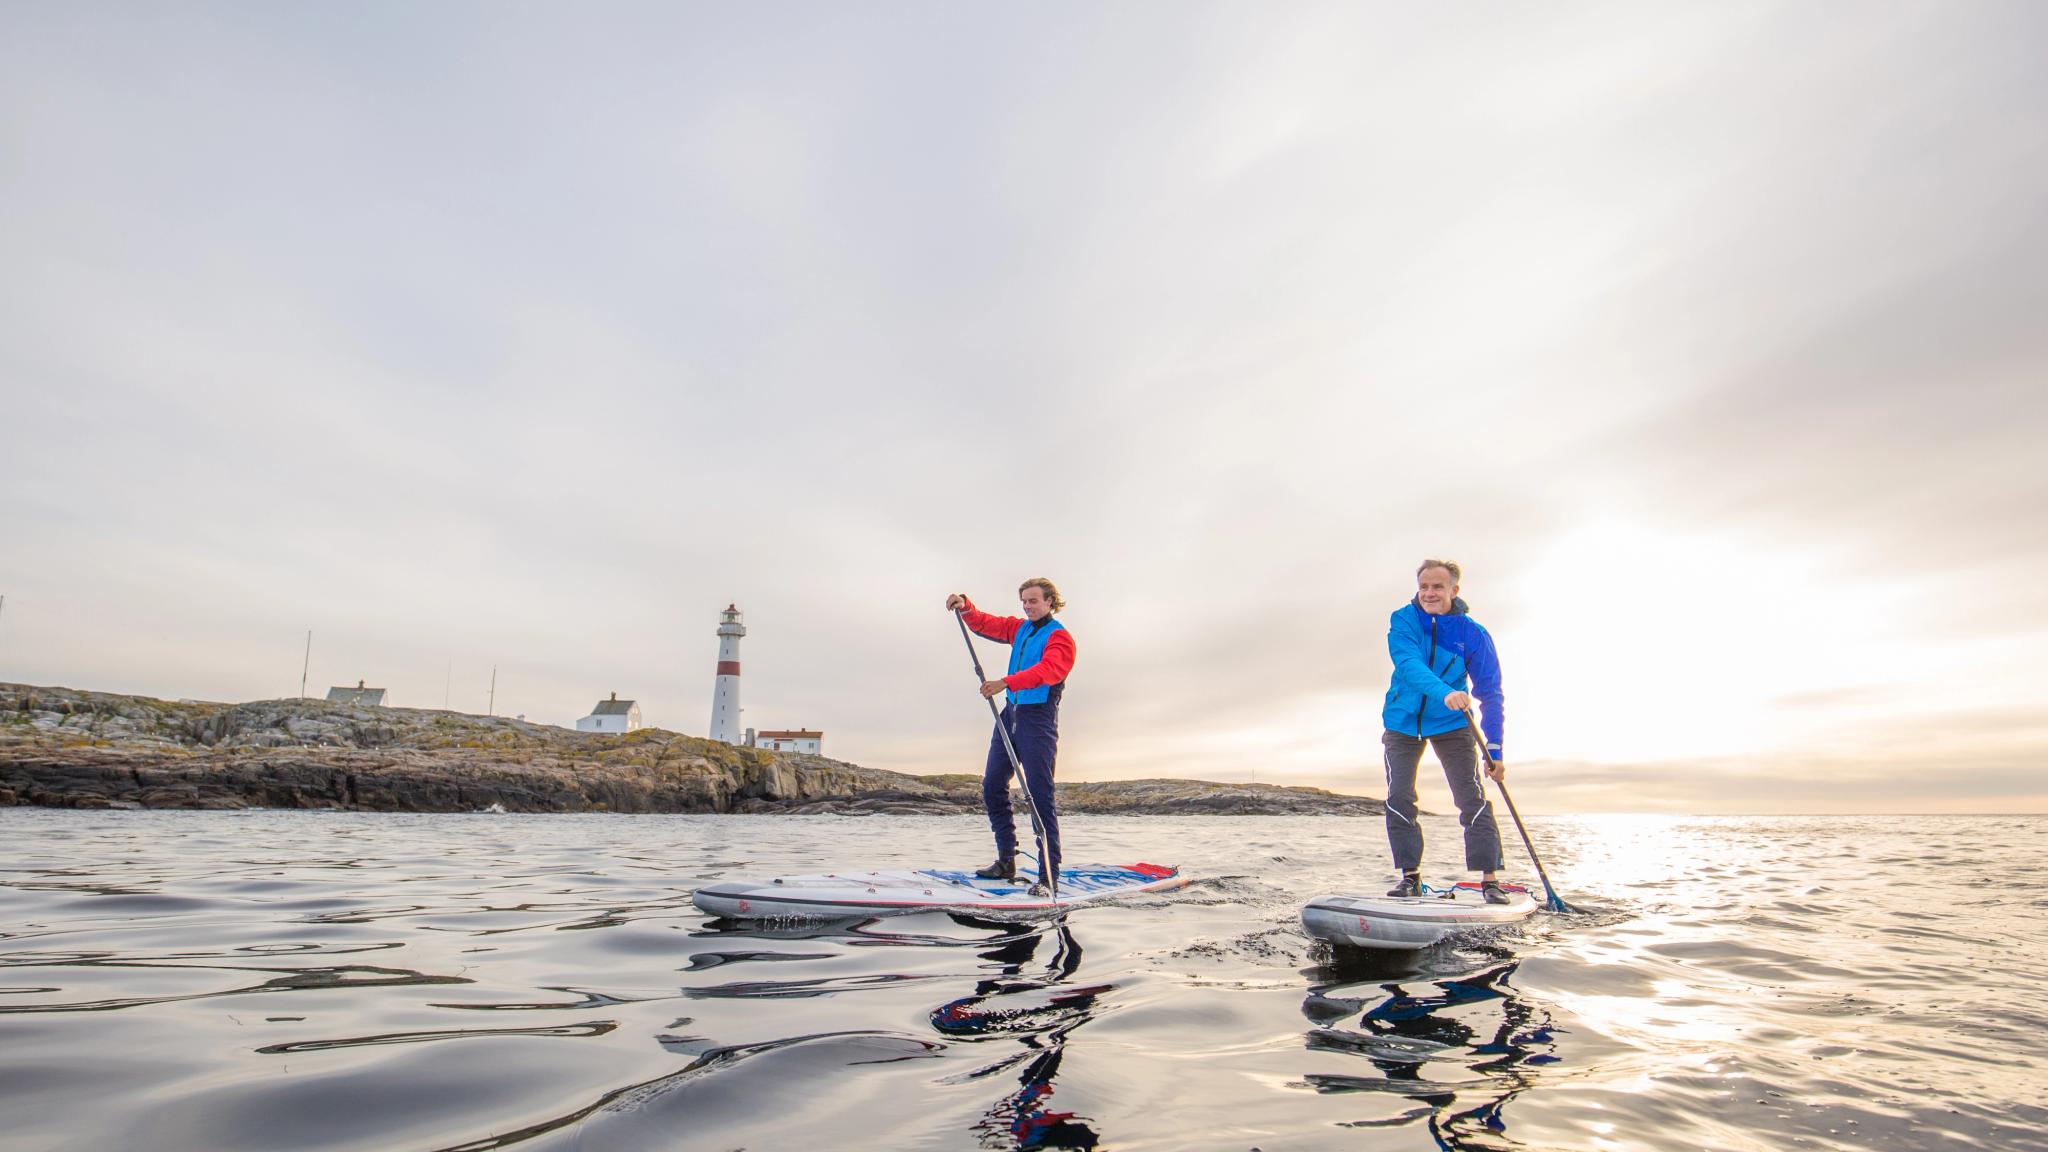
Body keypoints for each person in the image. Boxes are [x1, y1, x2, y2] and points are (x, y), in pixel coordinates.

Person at [1380, 558, 1510, 903]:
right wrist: (1445, 692)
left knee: (1470, 797)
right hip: (1402, 721)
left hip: (1453, 724)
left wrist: (1494, 751)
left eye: (1437, 586)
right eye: (1423, 586)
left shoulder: (1473, 634)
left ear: (1454, 589)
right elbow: (1408, 665)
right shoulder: (1404, 620)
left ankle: (1489, 880)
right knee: (1399, 797)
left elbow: (1490, 692)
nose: (1429, 593)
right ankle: (1410, 877)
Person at [946, 579, 1076, 888]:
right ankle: (1006, 862)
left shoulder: (1060, 638)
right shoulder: (1019, 629)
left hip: (1038, 719)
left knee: (1039, 796)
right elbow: (988, 624)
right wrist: (966, 606)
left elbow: (1049, 671)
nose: (1028, 606)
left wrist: (1006, 682)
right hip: (1010, 715)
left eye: (1033, 601)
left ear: (1049, 602)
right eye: (1024, 602)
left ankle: (1048, 878)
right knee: (992, 785)